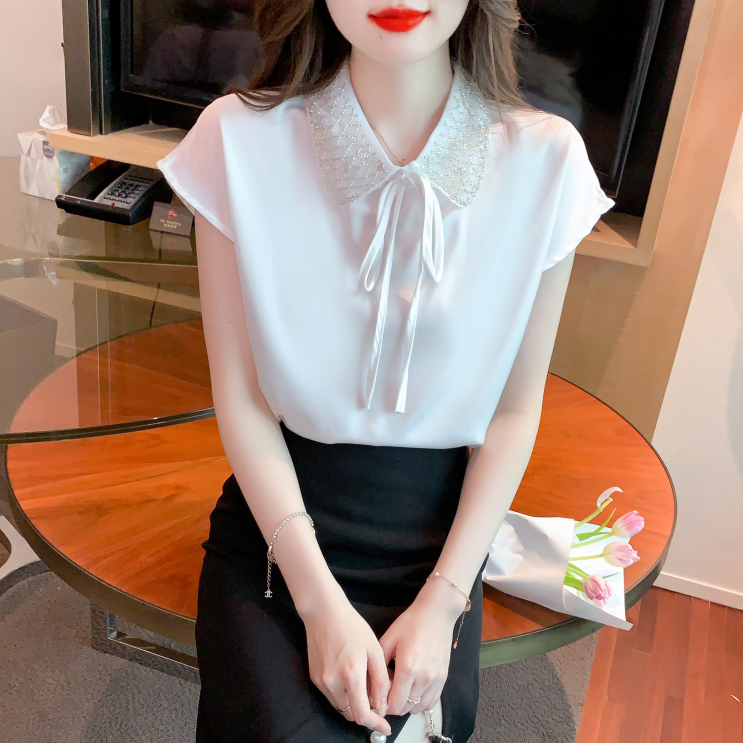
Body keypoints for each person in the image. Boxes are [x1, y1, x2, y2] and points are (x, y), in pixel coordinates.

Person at [157, 1, 615, 741]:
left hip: (439, 549)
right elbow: (240, 397)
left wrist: (444, 600)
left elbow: (511, 414)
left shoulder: (545, 162)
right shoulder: (236, 140)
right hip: (281, 536)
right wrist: (318, 606)